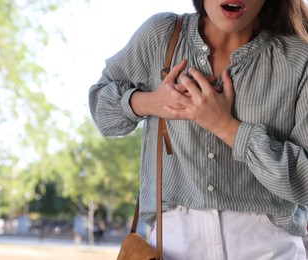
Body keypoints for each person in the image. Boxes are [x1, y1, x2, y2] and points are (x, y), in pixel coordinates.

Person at [89, 0, 308, 259]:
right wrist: (151, 102)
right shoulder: (162, 35)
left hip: (268, 249)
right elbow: (102, 113)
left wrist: (226, 127)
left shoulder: (299, 60)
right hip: (172, 248)